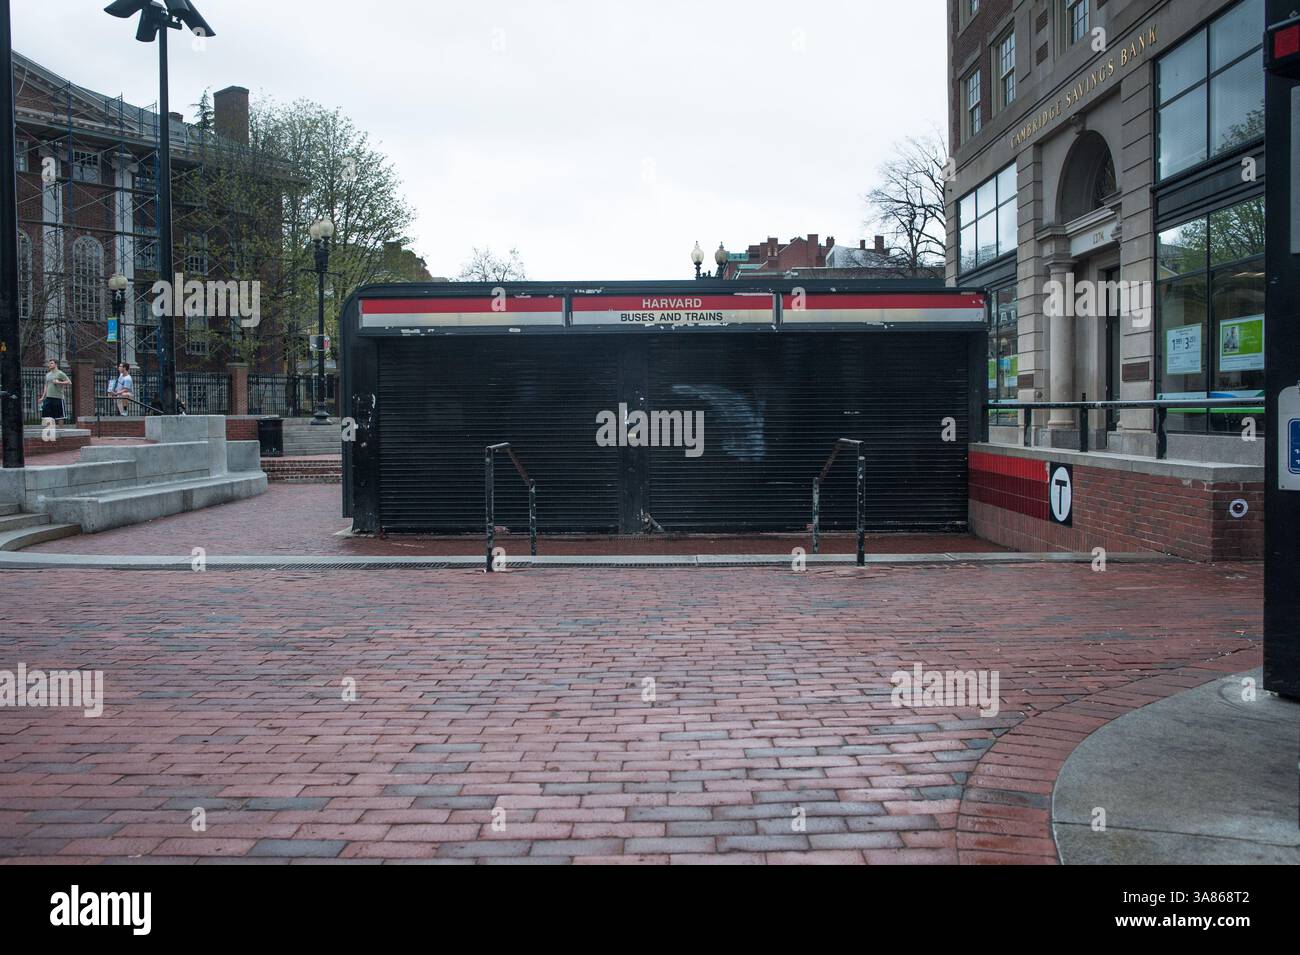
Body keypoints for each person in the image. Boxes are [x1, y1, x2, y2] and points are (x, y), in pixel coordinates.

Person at [39, 358, 71, 424]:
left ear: (56, 364)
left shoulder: (60, 373)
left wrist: (59, 382)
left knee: (60, 417)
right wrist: (42, 397)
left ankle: (61, 431)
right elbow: (46, 386)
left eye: (51, 363)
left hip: (58, 398)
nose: (49, 365)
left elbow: (69, 382)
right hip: (48, 398)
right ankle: (50, 432)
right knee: (47, 416)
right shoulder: (48, 374)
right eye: (49, 363)